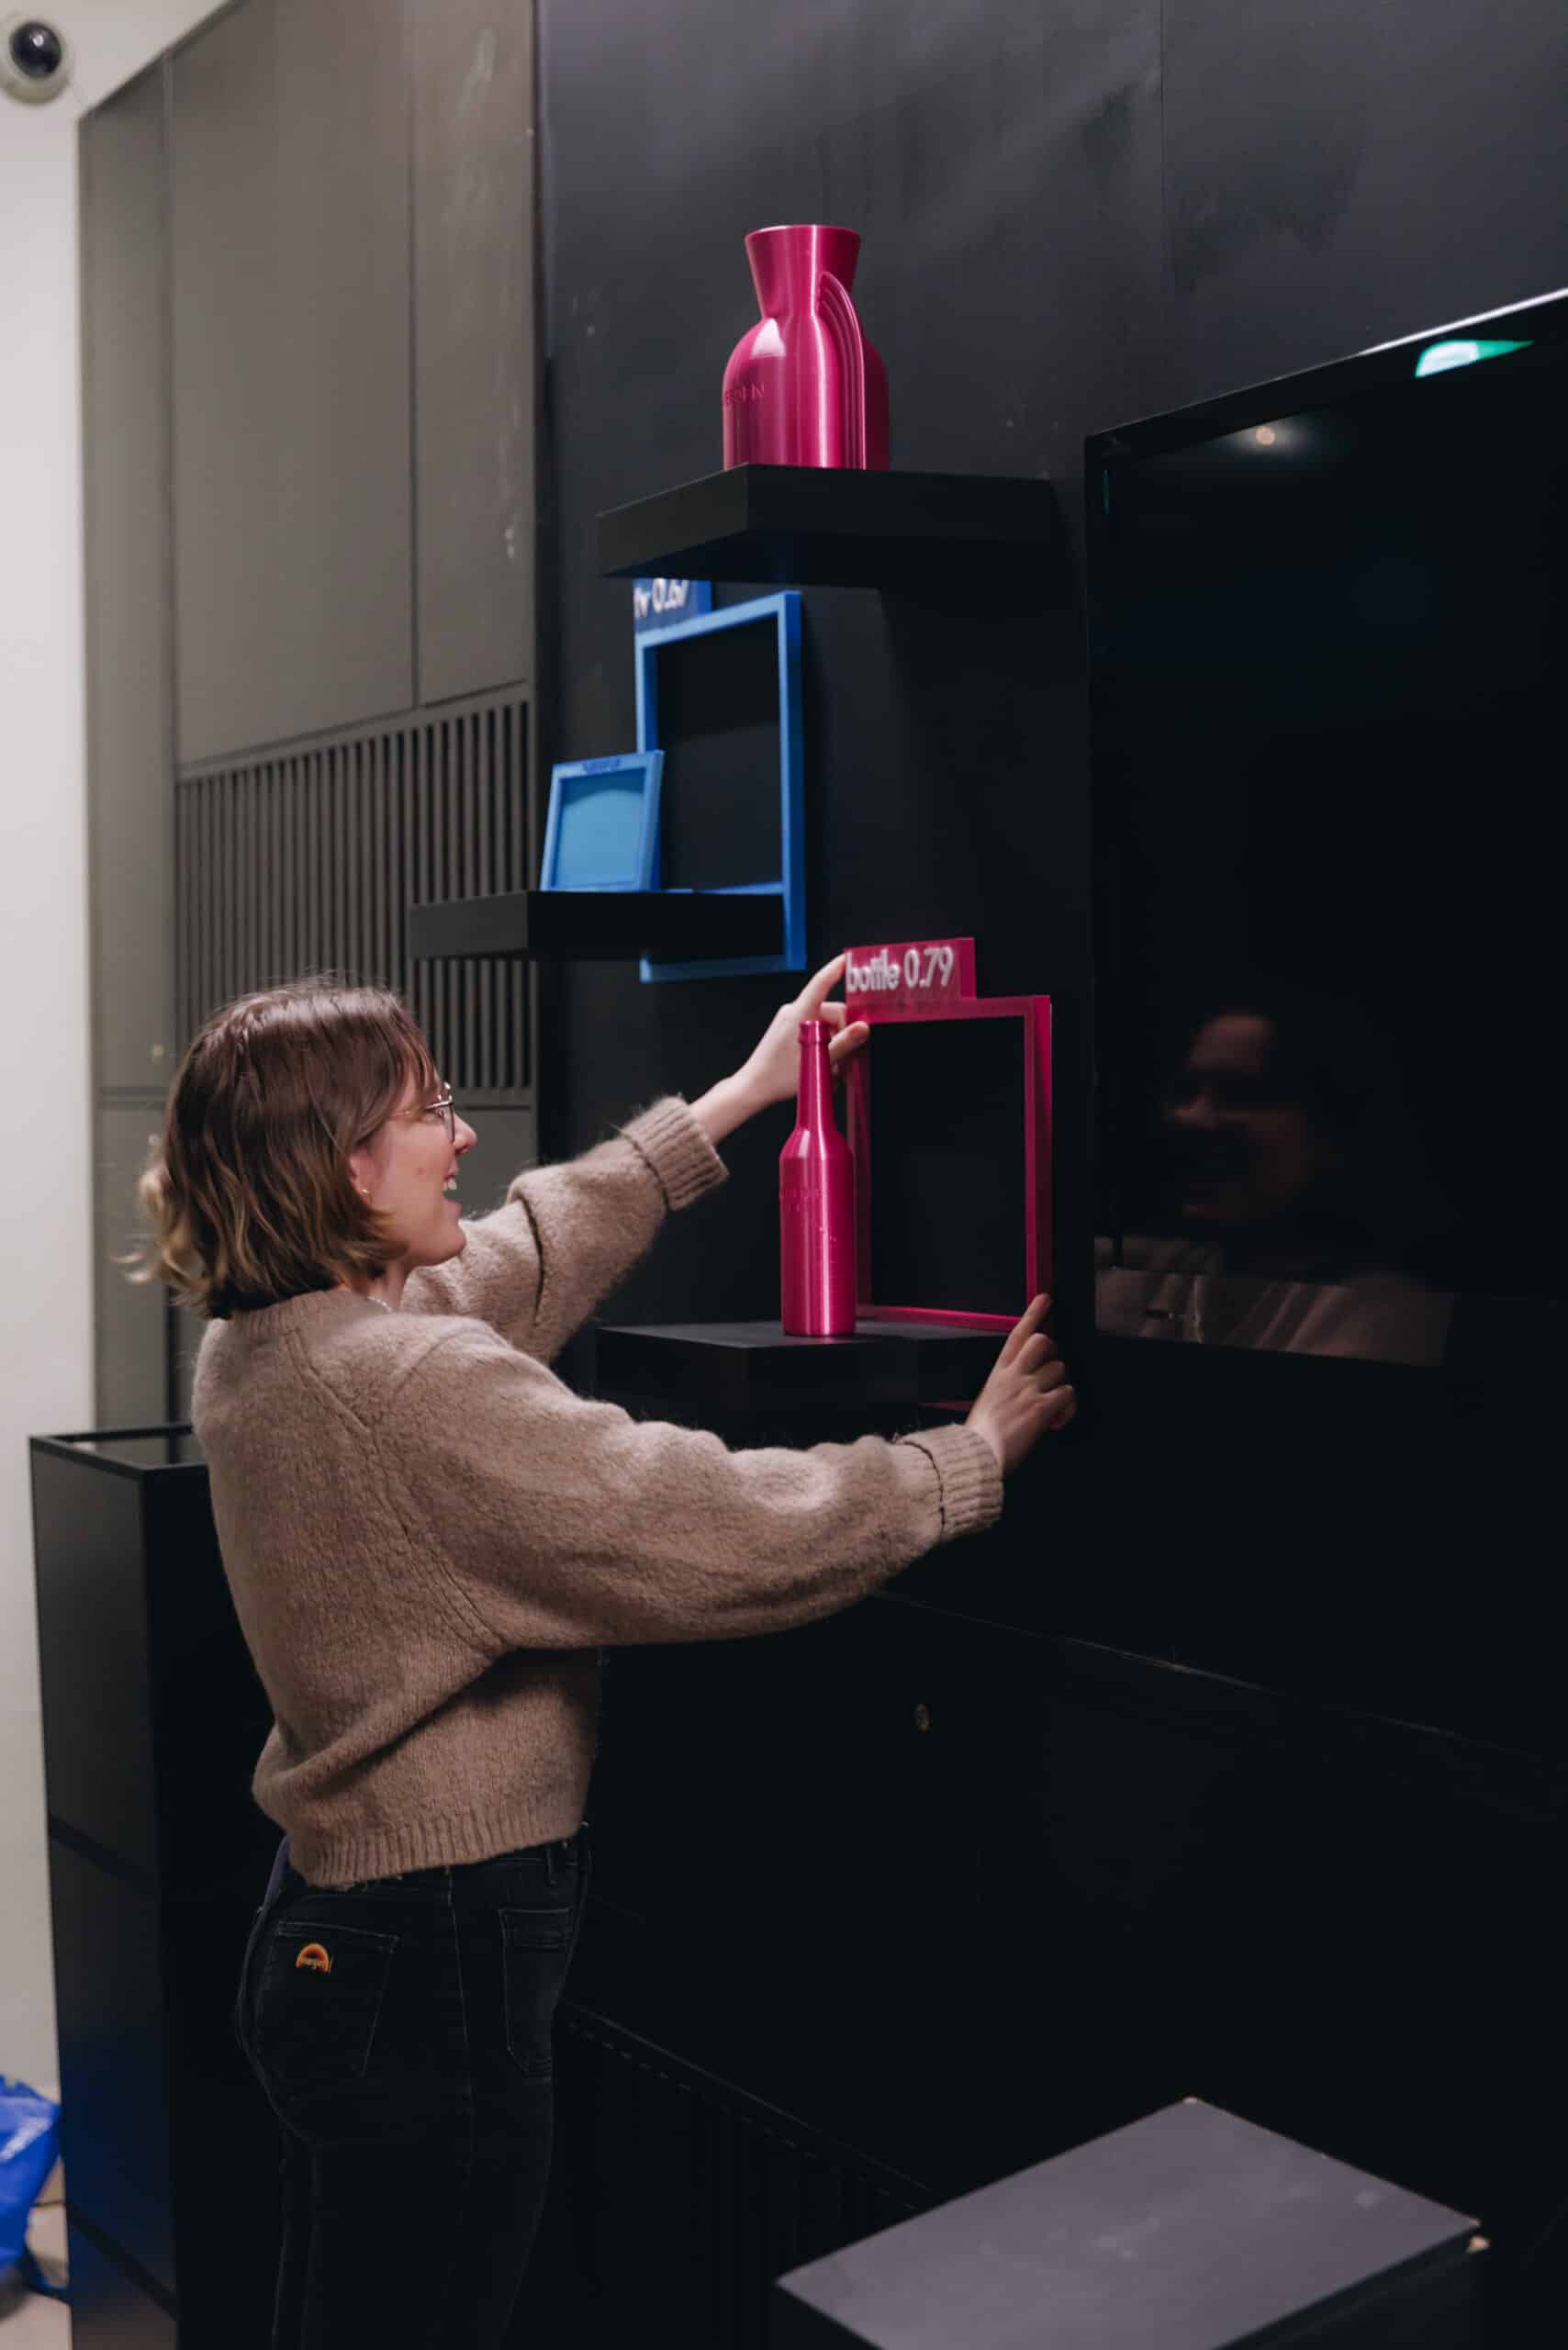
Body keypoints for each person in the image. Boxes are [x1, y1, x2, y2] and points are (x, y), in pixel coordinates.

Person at [135, 954, 1075, 2350]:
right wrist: (960, 1462)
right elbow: (705, 1526)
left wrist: (741, 1096)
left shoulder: (269, 1344)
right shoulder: (403, 1385)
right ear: (342, 1167)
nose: (464, 1137)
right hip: (434, 1951)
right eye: (428, 1111)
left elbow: (519, 1254)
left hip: (340, 1941)